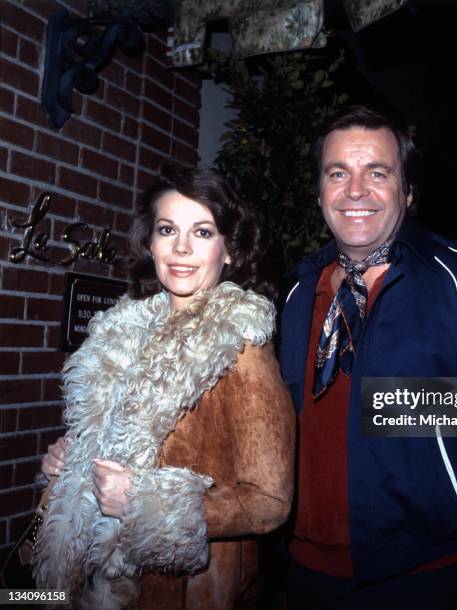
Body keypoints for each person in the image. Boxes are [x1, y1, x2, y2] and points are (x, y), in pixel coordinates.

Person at [277, 106, 457, 610]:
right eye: (338, 174)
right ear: (319, 193)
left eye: (378, 173)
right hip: (304, 574)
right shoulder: (296, 291)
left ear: (408, 192)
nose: (356, 191)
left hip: (427, 576)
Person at [36, 163, 295, 610]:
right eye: (167, 229)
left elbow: (270, 502)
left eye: (202, 232)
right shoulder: (120, 333)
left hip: (175, 591)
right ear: (150, 242)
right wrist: (68, 459)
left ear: (229, 250)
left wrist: (143, 503)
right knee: (16, 599)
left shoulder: (241, 350)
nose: (180, 249)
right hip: (79, 581)